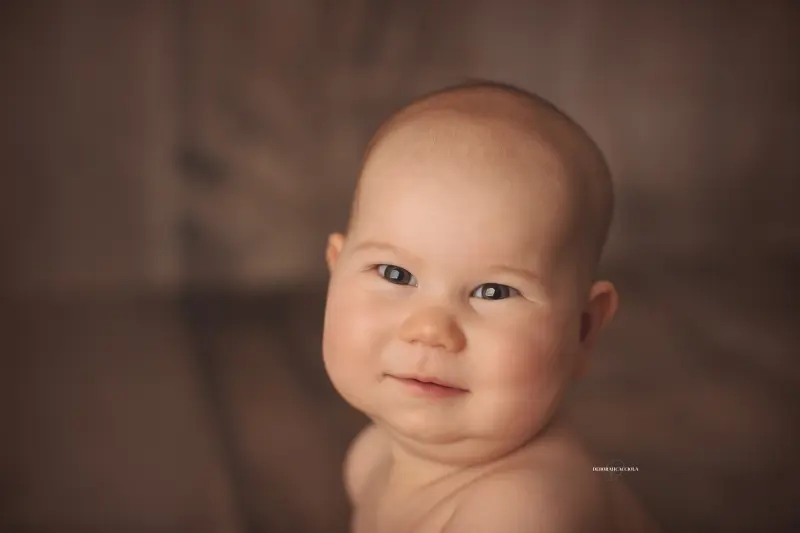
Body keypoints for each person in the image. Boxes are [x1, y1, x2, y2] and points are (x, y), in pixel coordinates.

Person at [321, 80, 660, 533]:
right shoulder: (372, 454)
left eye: (493, 292)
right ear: (336, 270)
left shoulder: (524, 509)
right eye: (396, 275)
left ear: (583, 329)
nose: (430, 329)